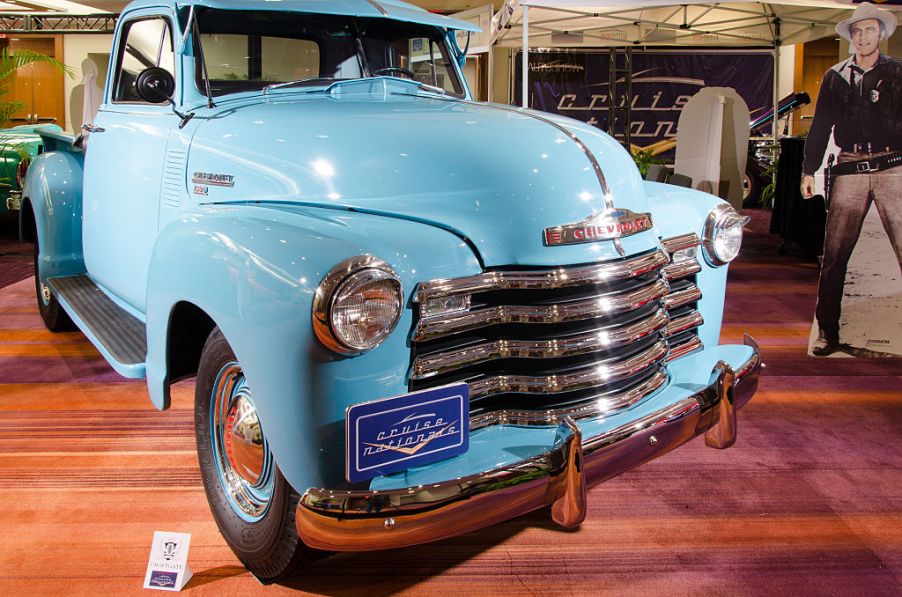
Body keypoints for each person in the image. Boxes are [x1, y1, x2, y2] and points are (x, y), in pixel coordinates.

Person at [800, 2, 902, 356]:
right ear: (851, 37)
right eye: (857, 31)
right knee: (835, 254)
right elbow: (820, 125)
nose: (863, 36)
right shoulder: (835, 76)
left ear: (881, 35)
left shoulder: (898, 73)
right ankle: (828, 332)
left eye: (869, 30)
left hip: (893, 165)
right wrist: (808, 170)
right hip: (850, 166)